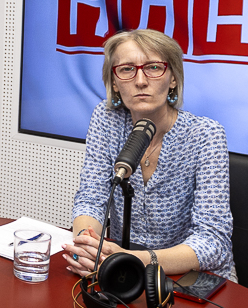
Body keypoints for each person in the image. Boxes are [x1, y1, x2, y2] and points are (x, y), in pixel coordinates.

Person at [61, 28, 235, 281]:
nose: (140, 81)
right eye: (127, 69)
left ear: (173, 78)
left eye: (154, 68)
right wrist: (88, 247)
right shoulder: (106, 119)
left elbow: (213, 241)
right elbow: (92, 198)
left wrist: (131, 259)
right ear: (114, 82)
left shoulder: (205, 134)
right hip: (121, 269)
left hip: (187, 277)